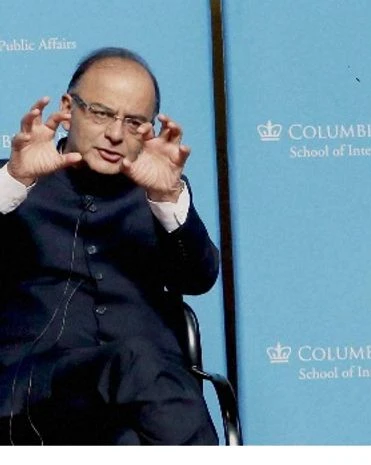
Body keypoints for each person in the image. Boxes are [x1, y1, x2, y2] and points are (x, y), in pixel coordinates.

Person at [0, 47, 220, 445]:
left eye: (134, 122)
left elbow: (199, 278)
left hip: (143, 401)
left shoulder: (160, 188)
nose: (116, 134)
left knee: (131, 439)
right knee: (134, 359)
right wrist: (14, 180)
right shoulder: (13, 178)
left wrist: (168, 199)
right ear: (69, 108)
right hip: (37, 398)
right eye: (101, 113)